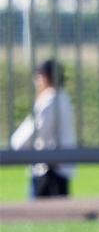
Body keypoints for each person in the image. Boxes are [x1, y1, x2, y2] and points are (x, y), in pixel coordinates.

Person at [9, 60, 75, 198]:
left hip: (49, 169)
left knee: (41, 215)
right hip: (59, 166)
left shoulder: (50, 98)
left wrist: (17, 143)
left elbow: (38, 129)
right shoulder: (62, 96)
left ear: (44, 76)